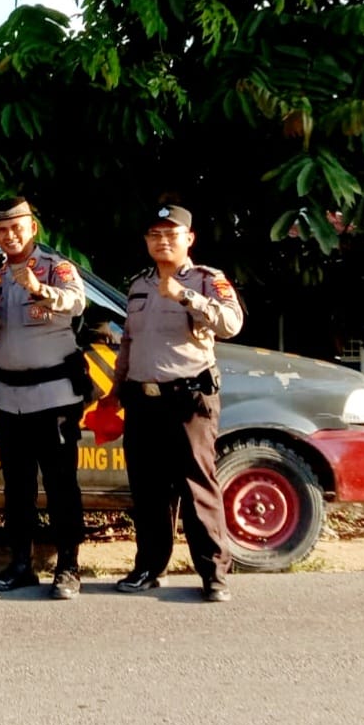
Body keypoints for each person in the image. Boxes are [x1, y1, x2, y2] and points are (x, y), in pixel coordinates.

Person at [111, 205, 243, 602]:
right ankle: (150, 567)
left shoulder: (207, 280)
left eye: (171, 234)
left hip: (189, 399)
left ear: (189, 238)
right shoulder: (138, 284)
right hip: (143, 400)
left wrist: (186, 296)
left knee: (197, 487)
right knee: (148, 491)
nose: (162, 241)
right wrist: (116, 390)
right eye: (154, 234)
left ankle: (213, 574)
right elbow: (130, 342)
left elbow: (231, 324)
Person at [0, 198, 89, 599]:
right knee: (17, 488)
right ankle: (21, 564)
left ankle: (68, 567)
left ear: (32, 229)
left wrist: (39, 289)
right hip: (10, 398)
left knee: (62, 485)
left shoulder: (55, 268)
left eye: (16, 228)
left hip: (54, 398)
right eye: (1, 230)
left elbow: (77, 302)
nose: (9, 236)